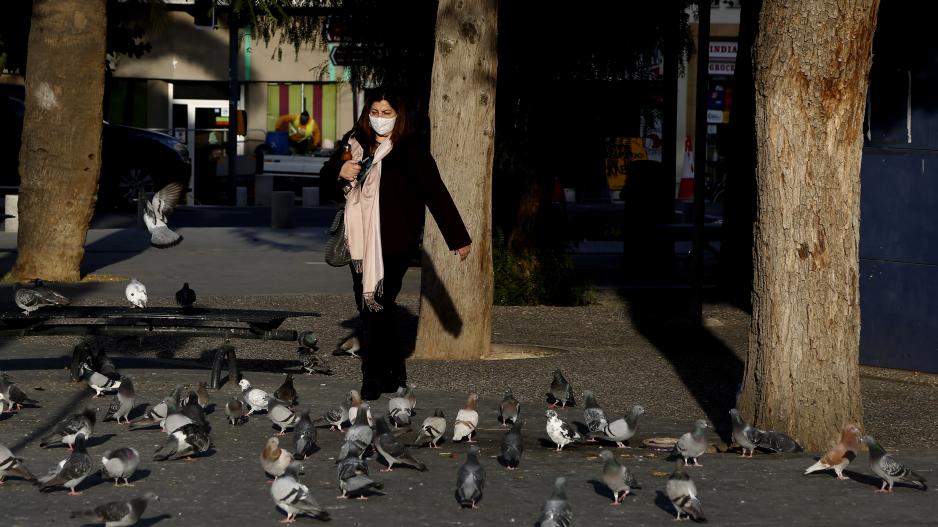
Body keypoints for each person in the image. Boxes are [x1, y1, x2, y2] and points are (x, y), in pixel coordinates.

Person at [321, 88, 472, 401]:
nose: (379, 119)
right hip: (358, 243)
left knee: (375, 304)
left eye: (386, 113)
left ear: (399, 116)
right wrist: (340, 172)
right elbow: (326, 184)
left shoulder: (410, 149)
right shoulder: (354, 142)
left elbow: (436, 193)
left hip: (394, 242)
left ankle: (372, 380)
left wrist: (457, 239)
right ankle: (394, 374)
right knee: (376, 308)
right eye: (375, 112)